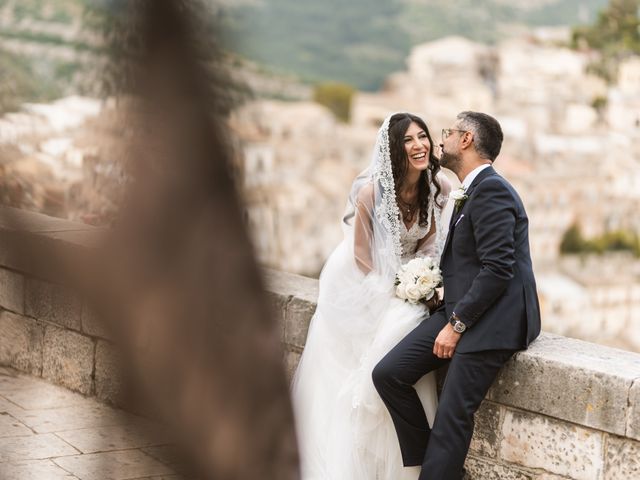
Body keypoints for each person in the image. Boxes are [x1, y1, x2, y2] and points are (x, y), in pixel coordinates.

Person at [372, 111, 541, 480]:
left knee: (452, 415)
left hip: (494, 320)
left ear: (466, 140)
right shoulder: (473, 190)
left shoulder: (493, 189)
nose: (440, 139)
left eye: (448, 132)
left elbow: (498, 269)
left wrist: (456, 324)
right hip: (462, 307)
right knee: (388, 373)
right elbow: (474, 263)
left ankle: (439, 471)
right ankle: (434, 461)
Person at [292, 113, 452, 479]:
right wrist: (400, 287)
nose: (420, 145)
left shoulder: (438, 186)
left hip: (406, 277)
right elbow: (363, 260)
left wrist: (422, 280)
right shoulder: (371, 193)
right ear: (394, 149)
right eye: (409, 140)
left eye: (423, 137)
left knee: (409, 322)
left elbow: (429, 246)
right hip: (360, 281)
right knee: (396, 330)